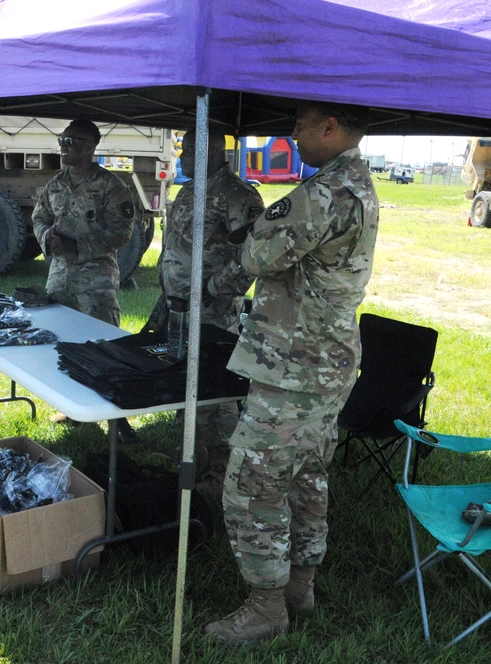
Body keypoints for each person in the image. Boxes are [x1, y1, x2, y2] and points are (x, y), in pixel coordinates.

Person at [204, 102, 379, 645]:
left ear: (330, 127)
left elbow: (257, 256)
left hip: (294, 366)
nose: (293, 135)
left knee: (251, 485)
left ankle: (265, 609)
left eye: (301, 125)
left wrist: (259, 230)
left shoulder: (324, 192)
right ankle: (299, 588)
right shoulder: (357, 186)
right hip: (323, 361)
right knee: (307, 477)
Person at [154, 125, 265, 500]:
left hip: (214, 313)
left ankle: (223, 473)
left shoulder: (237, 195)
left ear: (214, 152)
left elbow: (252, 256)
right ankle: (192, 455)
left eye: (188, 150)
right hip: (180, 309)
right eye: (183, 150)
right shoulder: (190, 189)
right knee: (187, 383)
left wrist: (213, 288)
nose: (182, 156)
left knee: (215, 391)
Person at [32, 119, 136, 327]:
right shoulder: (55, 184)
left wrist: (77, 246)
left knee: (100, 346)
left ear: (89, 146)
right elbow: (39, 218)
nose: (63, 145)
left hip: (95, 286)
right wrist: (47, 236)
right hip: (59, 282)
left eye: (69, 141)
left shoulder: (111, 186)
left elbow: (122, 232)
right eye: (61, 139)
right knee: (57, 344)